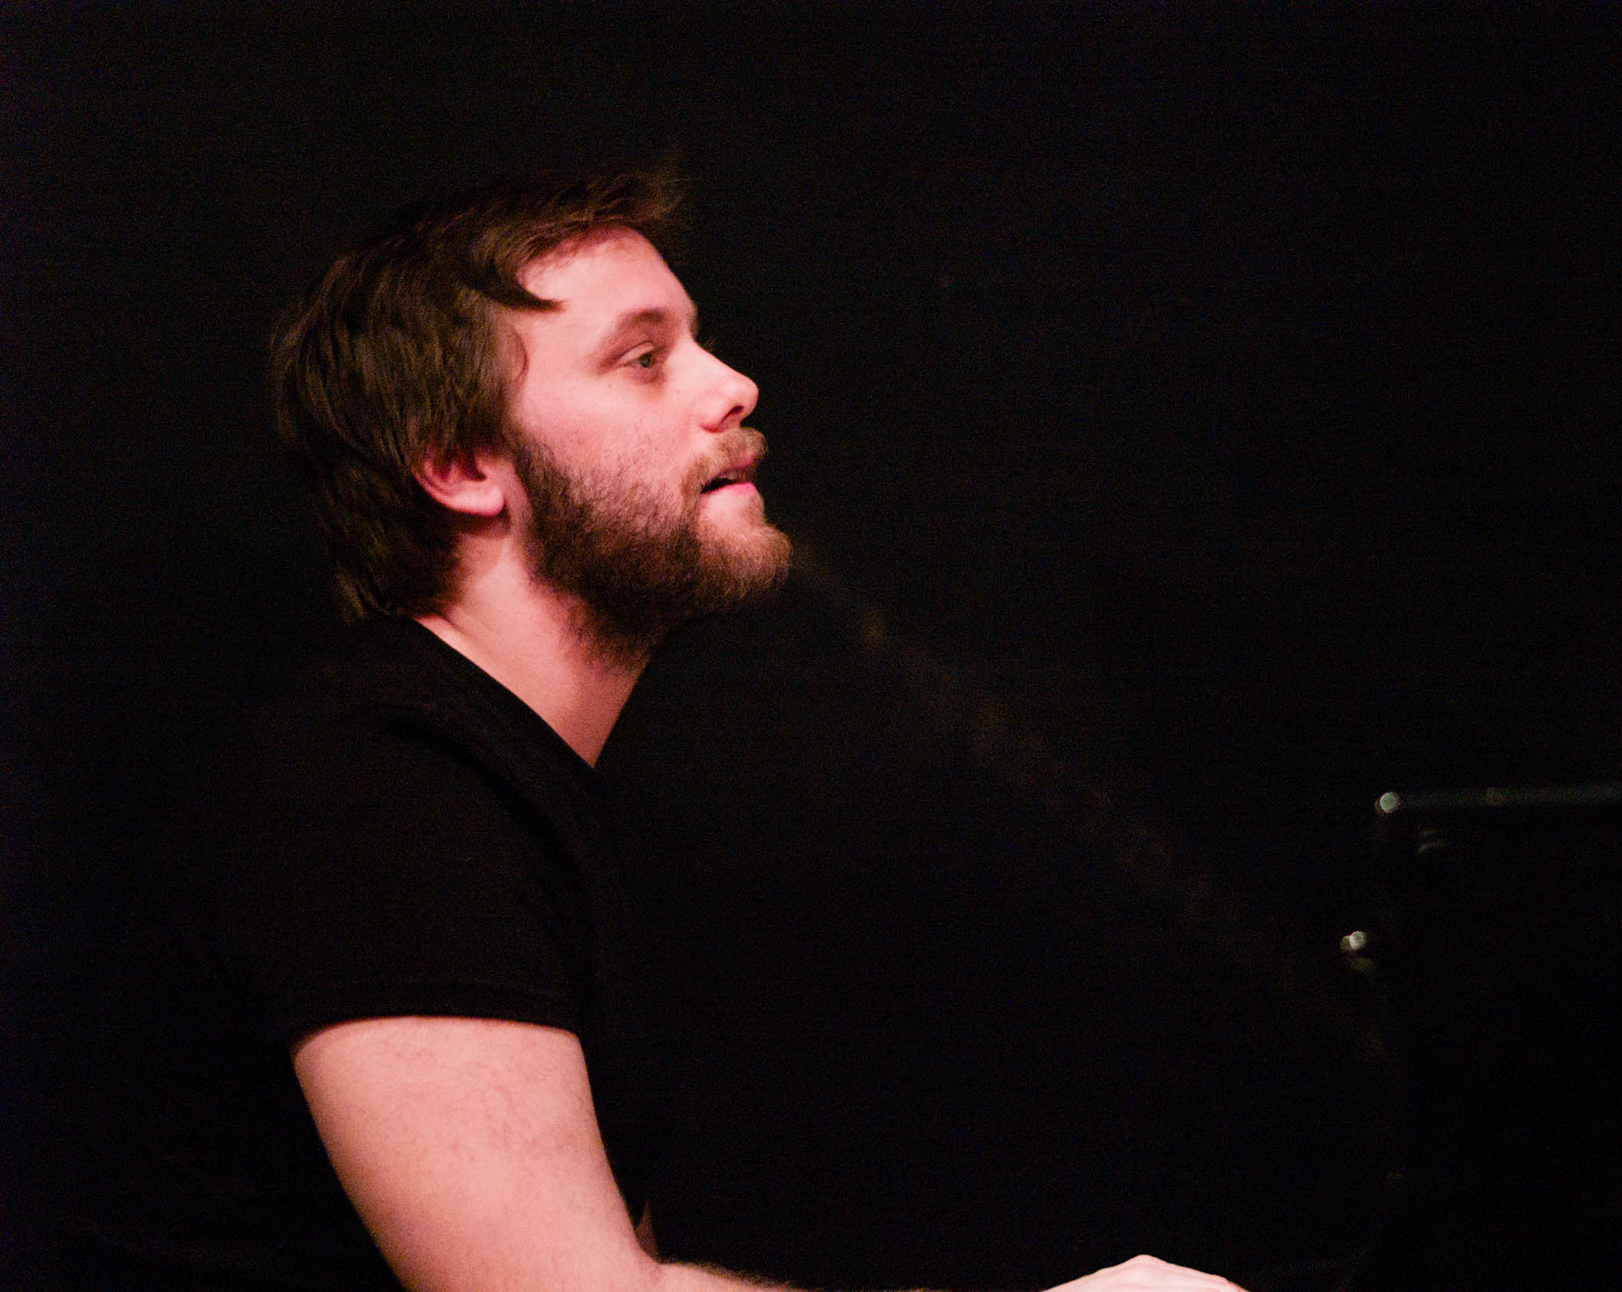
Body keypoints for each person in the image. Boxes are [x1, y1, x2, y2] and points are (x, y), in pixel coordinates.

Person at [62, 169, 1246, 1292]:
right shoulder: (376, 796)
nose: (732, 386)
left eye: (697, 340)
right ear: (462, 463)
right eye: (643, 359)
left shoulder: (496, 778)